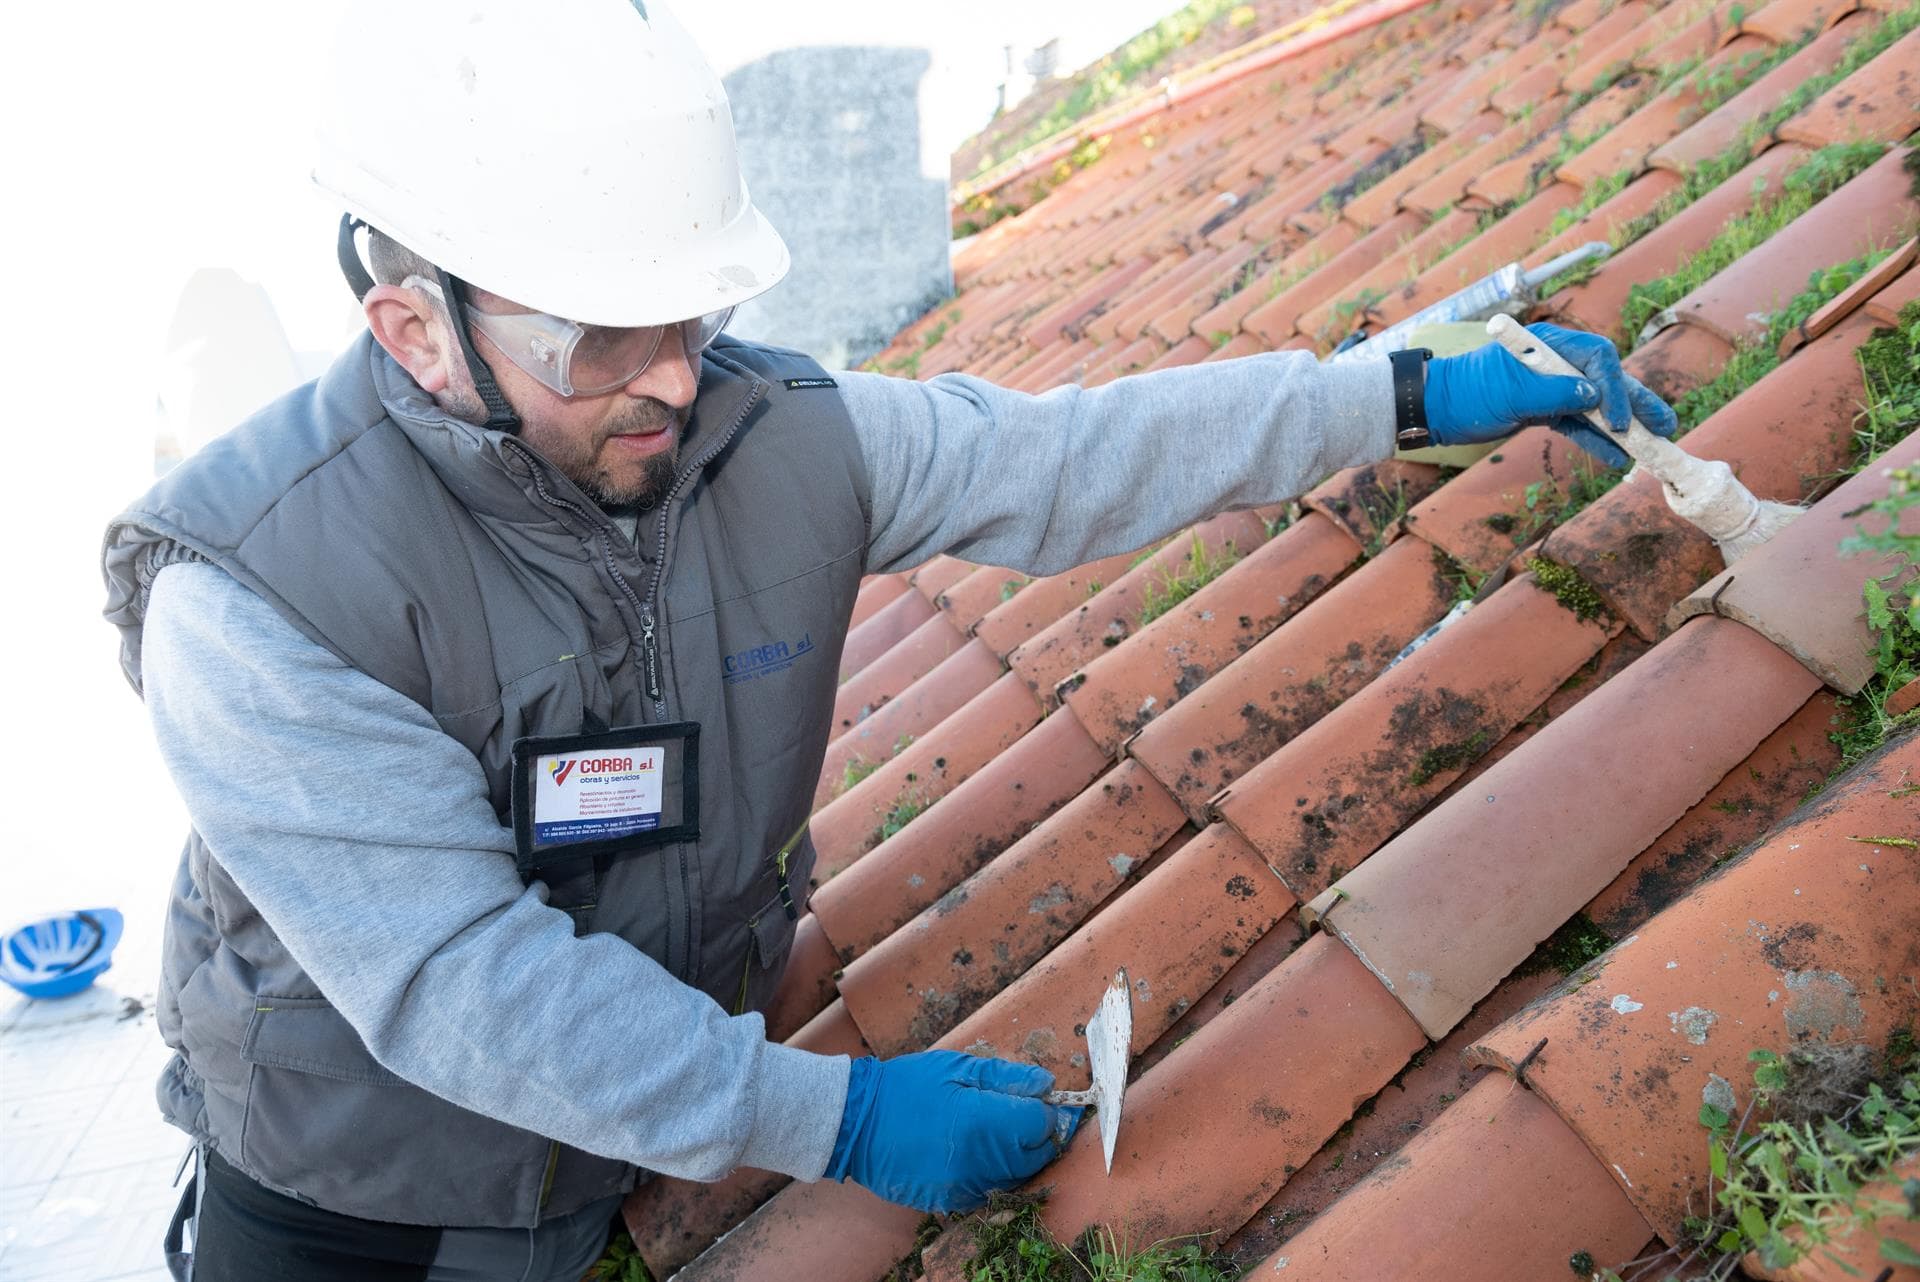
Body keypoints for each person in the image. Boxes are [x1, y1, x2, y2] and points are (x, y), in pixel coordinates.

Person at [101, 2, 1679, 1279]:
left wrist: (1393, 393)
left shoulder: (783, 438)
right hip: (359, 1206)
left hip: (649, 1139)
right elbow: (461, 978)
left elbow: (1073, 458)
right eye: (604, 337)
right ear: (417, 328)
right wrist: (830, 1116)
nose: (668, 378)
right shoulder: (250, 598)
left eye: (693, 315)